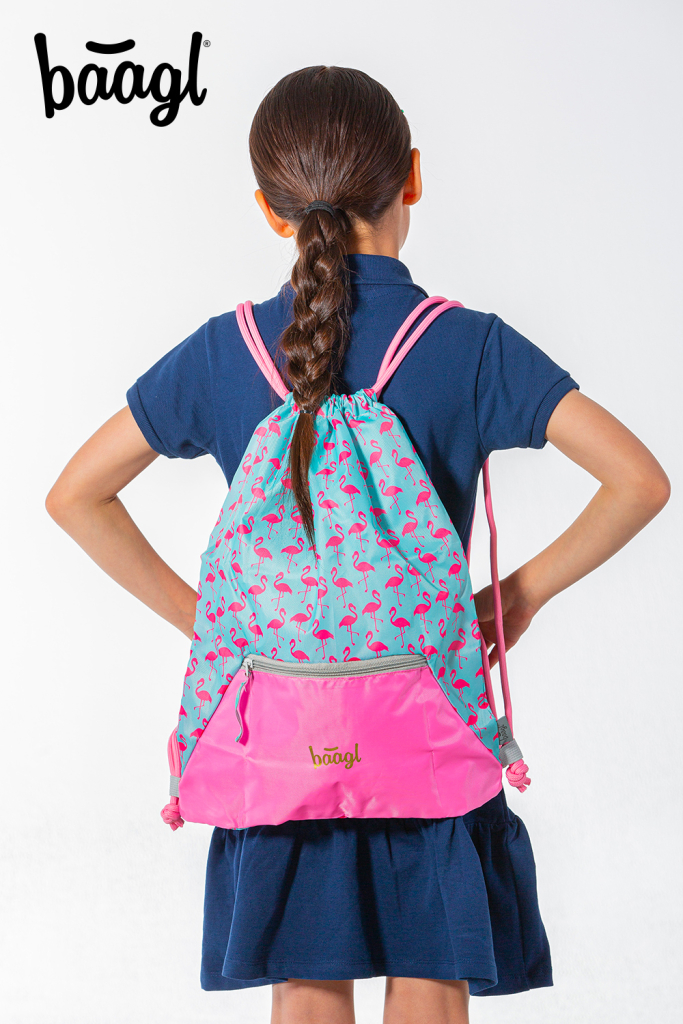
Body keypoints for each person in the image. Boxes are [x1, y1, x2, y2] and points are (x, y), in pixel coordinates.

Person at [45, 66, 669, 1024]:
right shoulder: (468, 346)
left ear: (270, 210)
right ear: (411, 176)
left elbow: (75, 496)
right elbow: (639, 482)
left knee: (306, 987)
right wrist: (515, 597)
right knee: (430, 976)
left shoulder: (224, 350)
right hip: (425, 722)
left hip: (281, 741)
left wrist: (208, 622)